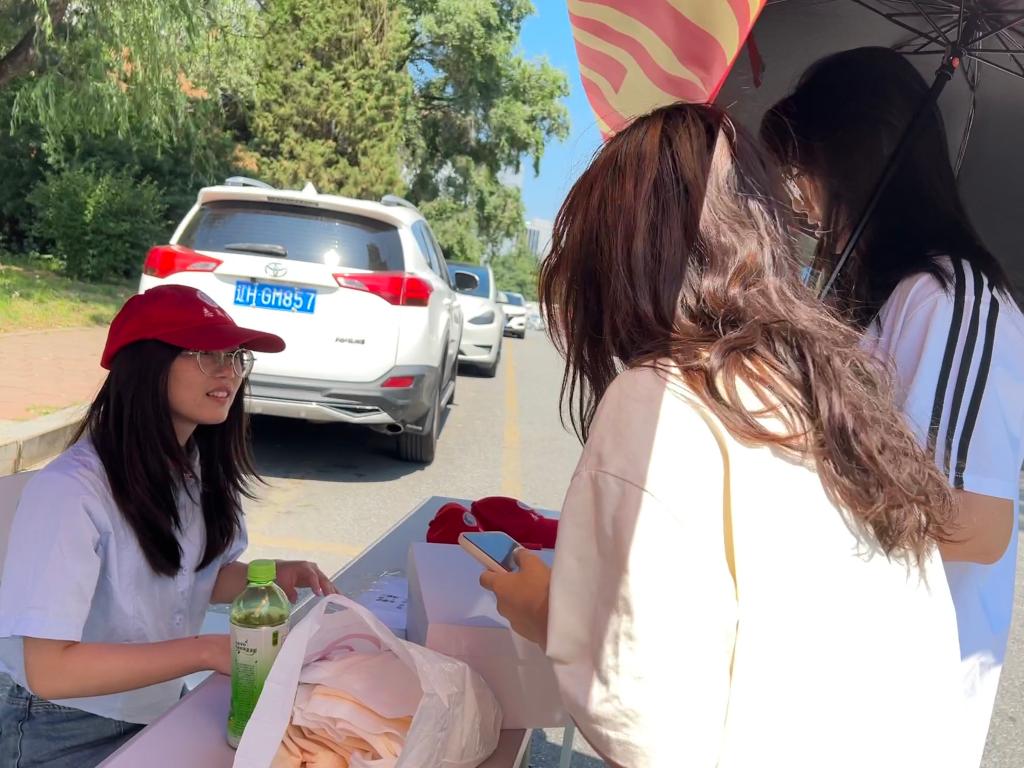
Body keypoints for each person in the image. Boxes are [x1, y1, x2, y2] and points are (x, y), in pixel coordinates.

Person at [481, 102, 965, 767]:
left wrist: (545, 611)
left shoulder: (659, 398)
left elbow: (646, 722)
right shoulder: (825, 388)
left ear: (611, 263)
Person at [760, 46, 1024, 765]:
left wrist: (795, 487)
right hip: (838, 689)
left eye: (804, 170)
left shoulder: (955, 302)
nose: (800, 201)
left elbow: (977, 520)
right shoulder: (890, 300)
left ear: (857, 158)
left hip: (900, 713)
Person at [0, 285, 337, 768]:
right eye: (204, 353)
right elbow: (50, 671)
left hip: (156, 702)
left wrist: (267, 576)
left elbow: (188, 579)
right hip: (62, 726)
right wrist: (204, 652)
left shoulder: (195, 465)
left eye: (236, 355)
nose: (228, 370)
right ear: (145, 366)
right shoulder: (69, 492)